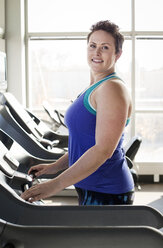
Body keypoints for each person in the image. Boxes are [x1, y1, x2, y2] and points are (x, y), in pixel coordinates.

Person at [21, 20, 135, 205]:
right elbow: (85, 143)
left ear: (118, 54)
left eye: (105, 47)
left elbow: (103, 150)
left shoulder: (112, 89)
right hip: (92, 186)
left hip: (106, 191)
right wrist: (55, 167)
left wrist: (55, 185)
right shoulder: (95, 87)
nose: (96, 52)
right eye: (92, 45)